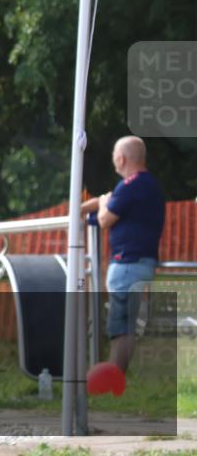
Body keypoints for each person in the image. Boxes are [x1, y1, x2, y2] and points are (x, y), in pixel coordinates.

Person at [81, 135, 164, 373]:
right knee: (125, 325)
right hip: (141, 263)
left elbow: (105, 219)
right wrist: (95, 204)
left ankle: (113, 378)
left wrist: (103, 204)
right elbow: (108, 208)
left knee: (120, 328)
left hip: (127, 264)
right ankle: (115, 376)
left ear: (121, 159)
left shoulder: (130, 185)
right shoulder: (149, 185)